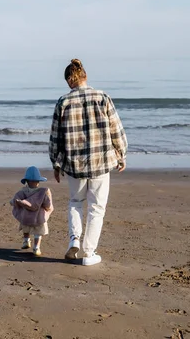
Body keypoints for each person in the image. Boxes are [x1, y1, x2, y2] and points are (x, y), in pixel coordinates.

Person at [49, 58, 127, 266]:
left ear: (68, 81)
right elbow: (116, 129)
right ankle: (89, 252)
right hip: (100, 161)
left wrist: (56, 163)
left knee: (75, 201)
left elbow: (55, 137)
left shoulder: (63, 102)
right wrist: (121, 154)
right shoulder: (102, 97)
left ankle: (74, 240)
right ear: (85, 76)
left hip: (74, 163)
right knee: (96, 208)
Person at [10, 166, 54, 257]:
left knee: (25, 228)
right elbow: (47, 204)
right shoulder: (42, 193)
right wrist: (48, 208)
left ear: (26, 181)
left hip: (26, 217)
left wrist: (17, 203)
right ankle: (36, 247)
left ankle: (26, 241)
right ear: (38, 181)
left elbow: (15, 200)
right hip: (38, 218)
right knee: (38, 232)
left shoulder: (23, 191)